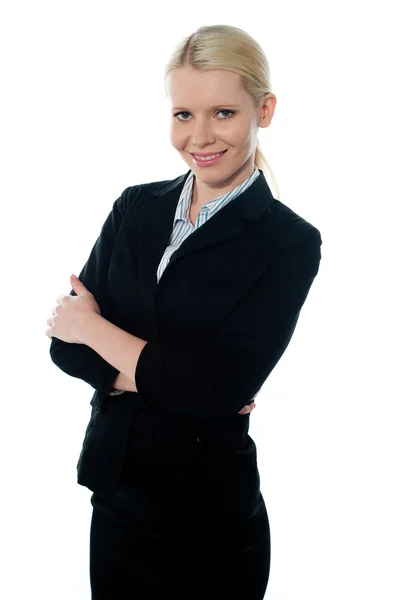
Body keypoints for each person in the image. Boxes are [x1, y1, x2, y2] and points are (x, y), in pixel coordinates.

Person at [46, 24, 322, 600]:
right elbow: (64, 349)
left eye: (223, 112)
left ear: (263, 110)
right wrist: (186, 383)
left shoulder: (288, 242)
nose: (199, 136)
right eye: (182, 114)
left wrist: (97, 329)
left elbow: (216, 388)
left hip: (209, 526)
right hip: (116, 500)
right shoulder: (134, 208)